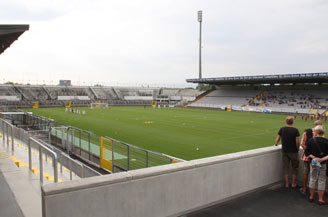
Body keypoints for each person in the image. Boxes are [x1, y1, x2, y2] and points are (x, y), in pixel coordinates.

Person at [305, 125, 328, 205]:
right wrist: (321, 159)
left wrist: (313, 157)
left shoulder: (311, 140)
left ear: (317, 132)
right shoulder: (326, 141)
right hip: (323, 163)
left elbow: (307, 152)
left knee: (312, 178)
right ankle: (320, 199)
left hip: (313, 163)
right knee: (322, 180)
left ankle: (311, 196)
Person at [274, 116, 300, 188]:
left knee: (286, 167)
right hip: (293, 151)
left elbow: (277, 139)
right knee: (295, 167)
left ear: (286, 122)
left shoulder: (282, 129)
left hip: (285, 151)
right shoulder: (295, 130)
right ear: (293, 122)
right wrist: (297, 149)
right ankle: (293, 183)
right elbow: (297, 141)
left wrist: (276, 144)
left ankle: (287, 184)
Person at [299, 120, 322, 194]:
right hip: (316, 158)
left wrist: (308, 151)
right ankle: (313, 190)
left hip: (306, 157)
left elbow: (302, 144)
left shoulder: (306, 132)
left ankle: (304, 189)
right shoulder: (321, 134)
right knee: (315, 174)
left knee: (306, 173)